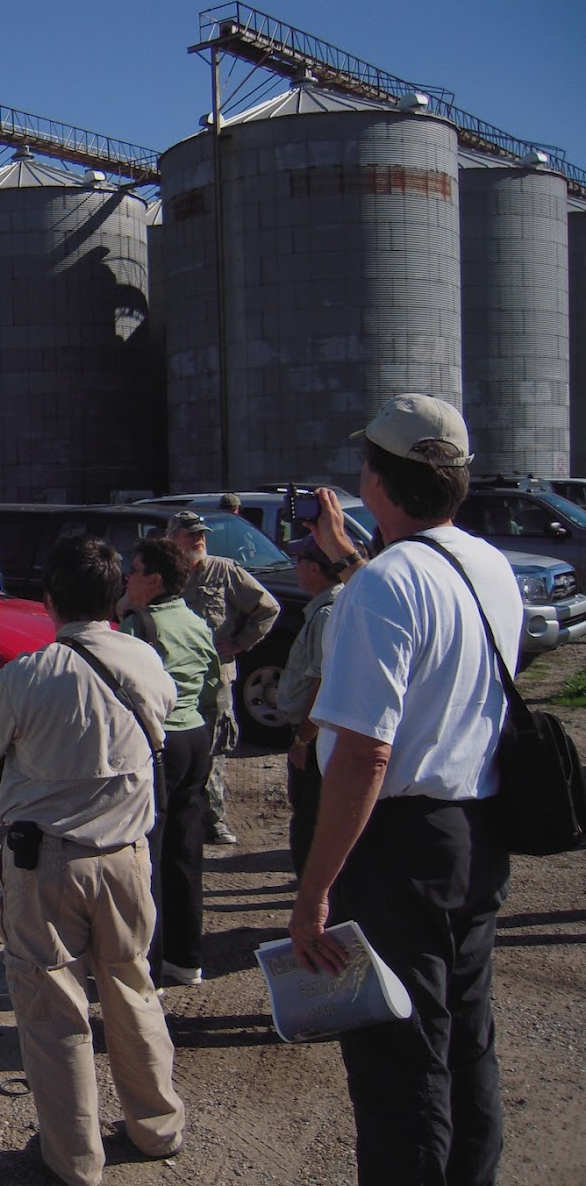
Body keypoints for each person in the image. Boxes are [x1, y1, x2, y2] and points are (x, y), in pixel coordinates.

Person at [289, 393, 518, 1185]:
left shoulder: (382, 586)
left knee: (399, 1057)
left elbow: (363, 756)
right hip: (475, 828)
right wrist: (351, 557)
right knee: (466, 1040)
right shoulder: (489, 565)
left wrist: (314, 891)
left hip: (396, 848)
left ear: (377, 481)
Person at [0, 536, 184, 1185]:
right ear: (115, 595)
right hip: (126, 857)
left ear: (49, 600)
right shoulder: (145, 659)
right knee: (133, 990)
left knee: (53, 1009)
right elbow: (166, 715)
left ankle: (74, 1158)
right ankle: (157, 1127)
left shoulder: (28, 675)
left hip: (47, 865)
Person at [119, 537, 220, 987]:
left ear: (154, 580)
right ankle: (186, 957)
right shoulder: (196, 621)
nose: (127, 577)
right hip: (196, 735)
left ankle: (152, 964)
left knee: (150, 854)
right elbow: (213, 681)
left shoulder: (139, 625)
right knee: (185, 850)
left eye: (135, 570)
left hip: (161, 742)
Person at [165, 510, 278, 845]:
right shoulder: (164, 574)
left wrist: (241, 642)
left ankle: (213, 820)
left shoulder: (224, 570)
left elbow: (267, 608)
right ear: (172, 538)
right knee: (172, 749)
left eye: (201, 534)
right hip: (174, 679)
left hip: (215, 680)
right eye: (191, 534)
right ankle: (174, 819)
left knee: (213, 750)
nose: (199, 539)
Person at [275, 533, 344, 878]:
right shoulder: (326, 607)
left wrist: (304, 738)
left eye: (300, 561)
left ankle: (312, 888)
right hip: (320, 733)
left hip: (317, 737)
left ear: (315, 568)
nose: (296, 567)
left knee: (310, 815)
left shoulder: (327, 614)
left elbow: (323, 683)